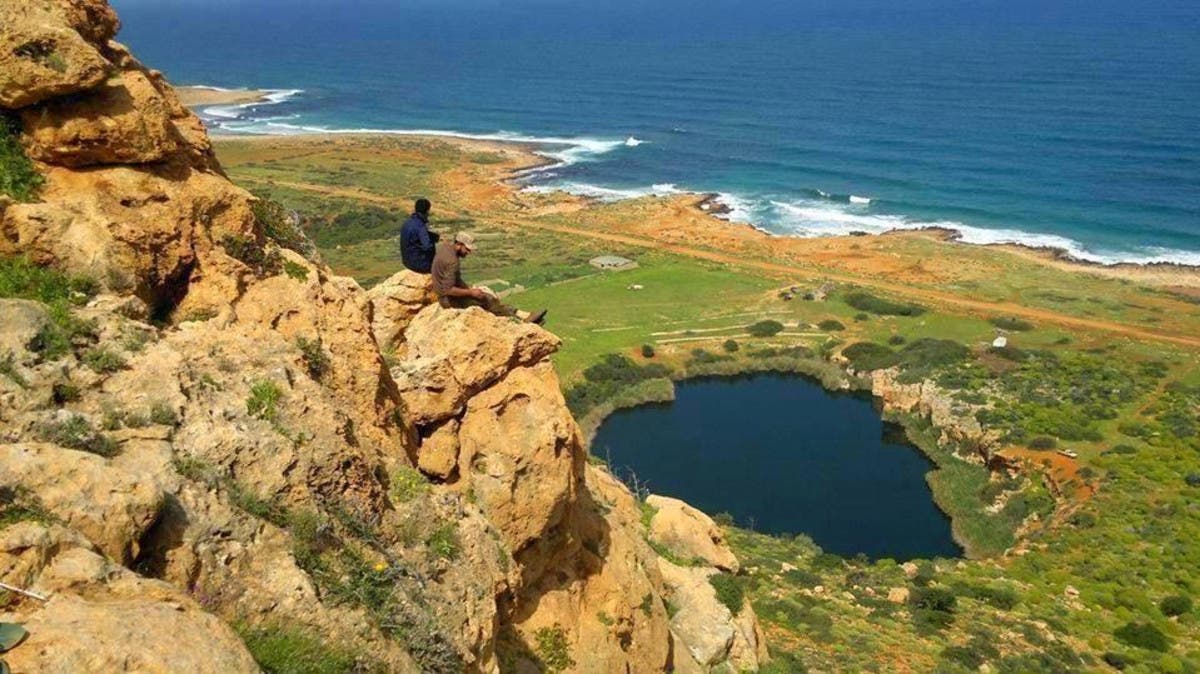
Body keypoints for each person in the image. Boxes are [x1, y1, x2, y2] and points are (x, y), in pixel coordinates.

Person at [432, 232, 547, 325]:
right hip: (448, 300)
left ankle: (523, 315)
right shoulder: (452, 261)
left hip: (444, 295)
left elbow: (451, 279)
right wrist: (471, 292)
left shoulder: (445, 248)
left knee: (485, 295)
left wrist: (468, 288)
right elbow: (448, 289)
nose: (469, 252)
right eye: (467, 249)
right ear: (459, 244)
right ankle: (522, 319)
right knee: (488, 300)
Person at [400, 198, 439, 273]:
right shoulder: (420, 226)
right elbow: (427, 247)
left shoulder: (408, 222)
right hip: (418, 264)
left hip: (406, 261)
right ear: (427, 211)